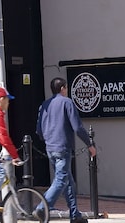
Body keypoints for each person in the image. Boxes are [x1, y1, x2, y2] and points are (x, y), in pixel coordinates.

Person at [36, 77, 96, 223]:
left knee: (68, 182)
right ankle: (42, 207)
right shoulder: (67, 102)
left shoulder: (44, 105)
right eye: (66, 87)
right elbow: (78, 127)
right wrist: (89, 144)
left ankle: (75, 215)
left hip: (50, 148)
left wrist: (49, 138)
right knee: (61, 180)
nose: (67, 90)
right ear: (62, 88)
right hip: (63, 147)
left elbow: (39, 131)